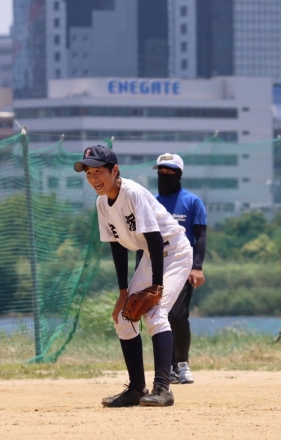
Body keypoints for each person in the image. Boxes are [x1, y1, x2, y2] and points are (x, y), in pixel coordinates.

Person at [74, 144, 193, 408]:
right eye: (88, 173)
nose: (93, 178)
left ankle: (163, 389)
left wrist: (157, 288)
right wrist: (123, 293)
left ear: (114, 170)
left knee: (155, 313)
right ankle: (137, 389)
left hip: (174, 252)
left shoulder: (132, 193)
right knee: (123, 316)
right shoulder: (102, 203)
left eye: (98, 171)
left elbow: (155, 239)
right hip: (153, 255)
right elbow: (117, 246)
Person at [153, 153, 207, 385]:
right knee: (159, 316)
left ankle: (182, 364)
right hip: (156, 266)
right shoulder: (152, 202)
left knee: (177, 314)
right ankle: (168, 367)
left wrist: (197, 267)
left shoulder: (192, 201)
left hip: (183, 266)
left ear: (179, 175)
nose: (164, 175)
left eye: (169, 172)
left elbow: (201, 237)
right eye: (161, 172)